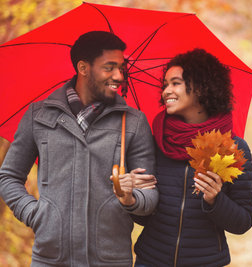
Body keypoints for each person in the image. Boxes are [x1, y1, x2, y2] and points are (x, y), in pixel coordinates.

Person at [0, 31, 158, 266]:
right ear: (83, 68)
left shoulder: (134, 122)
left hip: (110, 260)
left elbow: (151, 193)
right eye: (109, 67)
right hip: (50, 259)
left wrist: (130, 198)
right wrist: (36, 215)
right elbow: (9, 176)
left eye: (121, 68)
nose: (118, 75)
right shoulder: (38, 116)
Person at [133, 48, 252, 266]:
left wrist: (215, 200)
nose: (166, 91)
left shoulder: (232, 148)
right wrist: (131, 198)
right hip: (151, 260)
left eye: (175, 83)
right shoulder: (155, 142)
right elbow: (143, 218)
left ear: (201, 87)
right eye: (165, 84)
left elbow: (242, 222)